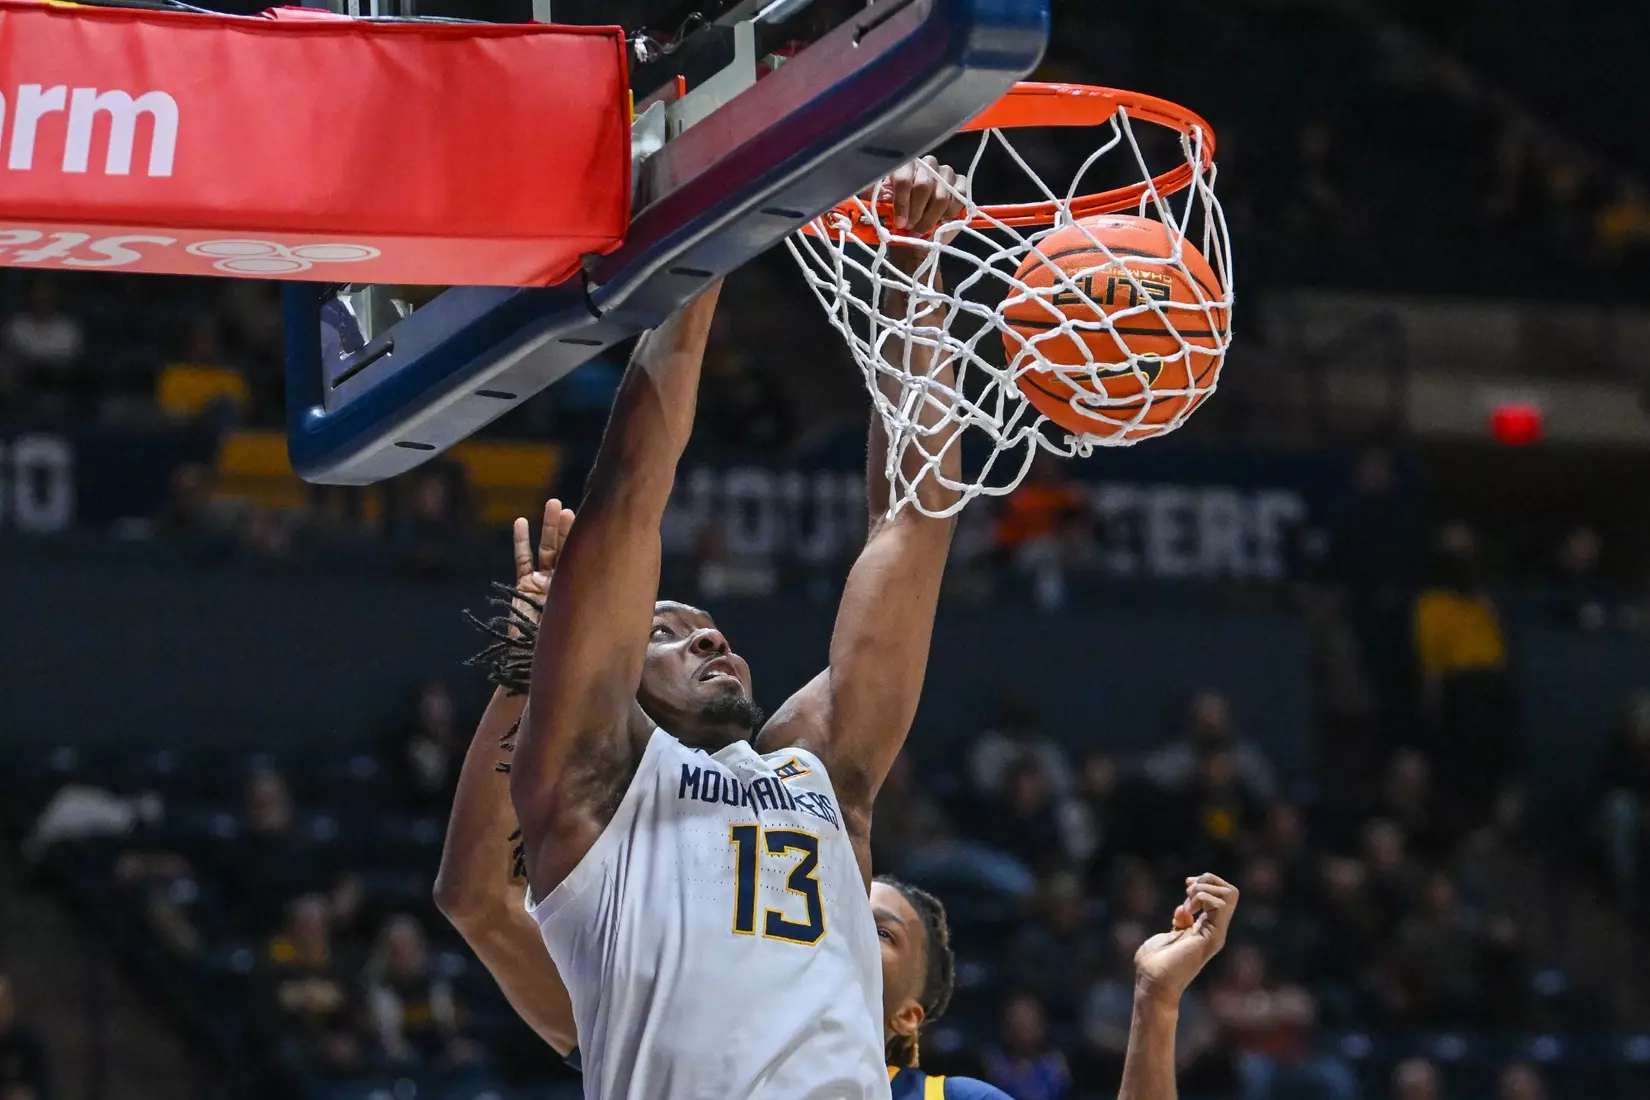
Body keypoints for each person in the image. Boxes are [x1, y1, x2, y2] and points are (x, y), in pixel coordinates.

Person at [439, 502, 1243, 1099]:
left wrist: (1156, 1004)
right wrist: (534, 674)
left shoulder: (946, 1098)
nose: (821, 907)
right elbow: (477, 898)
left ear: (911, 1019)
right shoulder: (662, 982)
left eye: (876, 925)